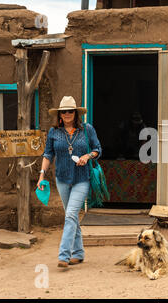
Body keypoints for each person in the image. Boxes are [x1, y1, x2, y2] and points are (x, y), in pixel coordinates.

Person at [37, 96, 102, 268]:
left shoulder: (87, 130)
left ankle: (64, 255)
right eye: (64, 111)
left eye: (70, 111)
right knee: (70, 217)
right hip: (62, 179)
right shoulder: (54, 132)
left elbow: (97, 149)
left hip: (82, 179)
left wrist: (87, 156)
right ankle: (79, 253)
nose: (67, 114)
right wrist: (42, 175)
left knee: (71, 215)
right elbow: (48, 154)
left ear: (76, 113)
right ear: (59, 114)